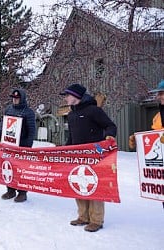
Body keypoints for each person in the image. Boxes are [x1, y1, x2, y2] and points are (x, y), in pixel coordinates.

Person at [60, 83, 117, 232]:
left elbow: (110, 126)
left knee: (94, 186)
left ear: (76, 96)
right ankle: (83, 216)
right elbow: (72, 136)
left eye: (67, 95)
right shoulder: (71, 115)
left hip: (94, 156)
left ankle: (96, 220)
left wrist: (108, 137)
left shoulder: (94, 111)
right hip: (78, 156)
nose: (65, 98)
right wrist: (63, 151)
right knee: (78, 184)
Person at [0, 89, 36, 202]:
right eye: (13, 98)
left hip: (22, 146)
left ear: (22, 98)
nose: (15, 100)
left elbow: (31, 131)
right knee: (8, 167)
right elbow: (3, 125)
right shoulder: (8, 109)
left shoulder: (29, 112)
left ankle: (22, 192)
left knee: (21, 169)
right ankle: (10, 190)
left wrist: (26, 147)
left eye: (17, 98)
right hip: (8, 145)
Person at [129, 79, 164, 210]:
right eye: (158, 94)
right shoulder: (158, 116)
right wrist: (138, 140)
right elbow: (155, 137)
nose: (158, 96)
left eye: (162, 93)